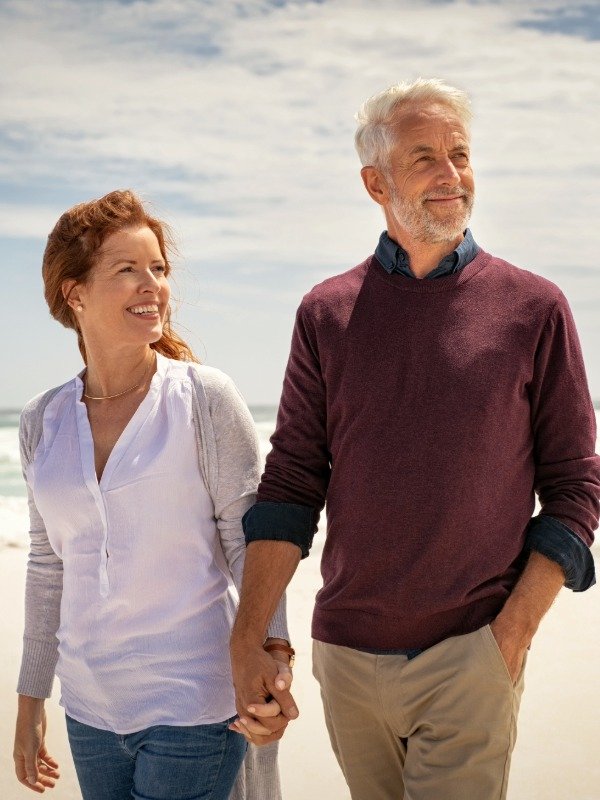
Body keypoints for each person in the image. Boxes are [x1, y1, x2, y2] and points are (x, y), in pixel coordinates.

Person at [230, 79, 600, 799]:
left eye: (460, 154)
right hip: (346, 656)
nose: (450, 174)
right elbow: (293, 481)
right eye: (424, 156)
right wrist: (249, 635)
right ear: (375, 183)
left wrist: (510, 637)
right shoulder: (326, 313)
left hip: (472, 653)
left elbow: (576, 486)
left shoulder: (535, 308)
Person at [13, 189, 292, 800]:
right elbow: (48, 565)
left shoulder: (203, 399)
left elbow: (251, 545)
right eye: (128, 269)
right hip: (89, 710)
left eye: (159, 269)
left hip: (195, 703)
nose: (153, 285)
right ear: (74, 292)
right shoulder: (41, 421)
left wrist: (274, 657)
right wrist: (31, 699)